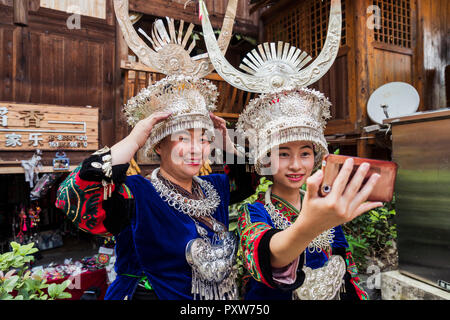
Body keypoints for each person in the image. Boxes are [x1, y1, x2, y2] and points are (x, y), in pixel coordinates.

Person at [198, 0, 378, 300]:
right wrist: (311, 224)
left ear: (316, 157)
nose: (296, 165)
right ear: (265, 161)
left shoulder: (324, 202)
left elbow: (345, 266)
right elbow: (270, 258)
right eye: (283, 154)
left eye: (305, 153)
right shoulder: (254, 211)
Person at [55, 76, 253, 300]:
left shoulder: (214, 186)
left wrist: (227, 143)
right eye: (183, 138)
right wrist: (134, 139)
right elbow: (73, 196)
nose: (197, 149)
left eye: (204, 139)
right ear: (159, 145)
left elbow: (250, 179)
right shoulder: (137, 192)